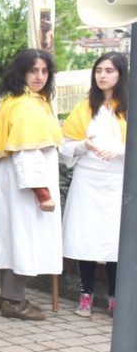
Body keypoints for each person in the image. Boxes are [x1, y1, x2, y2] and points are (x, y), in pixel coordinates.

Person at [0, 49, 62, 320]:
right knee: (23, 240)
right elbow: (27, 153)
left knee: (13, 238)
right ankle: (14, 301)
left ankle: (9, 296)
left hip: (12, 182)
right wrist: (42, 193)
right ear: (22, 72)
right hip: (27, 186)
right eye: (33, 71)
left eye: (44, 71)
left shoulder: (10, 100)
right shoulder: (27, 105)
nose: (39, 76)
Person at [61, 51, 128, 317]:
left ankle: (114, 297)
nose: (103, 76)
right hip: (88, 179)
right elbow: (65, 145)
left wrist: (121, 150)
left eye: (109, 71)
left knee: (115, 240)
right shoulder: (85, 106)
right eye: (99, 70)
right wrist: (83, 144)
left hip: (117, 181)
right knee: (85, 237)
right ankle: (85, 294)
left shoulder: (129, 106)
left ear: (121, 74)